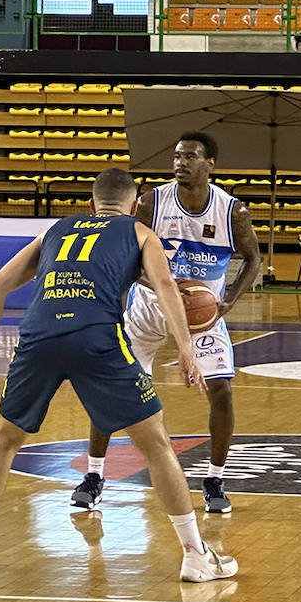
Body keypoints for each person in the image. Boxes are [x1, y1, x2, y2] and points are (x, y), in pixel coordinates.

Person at [0, 167, 238, 583]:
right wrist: (186, 348)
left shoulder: (57, 231)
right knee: (155, 444)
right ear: (135, 206)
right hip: (97, 336)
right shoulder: (140, 232)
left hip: (39, 334)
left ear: (90, 204)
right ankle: (194, 554)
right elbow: (167, 287)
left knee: (5, 441)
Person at [76, 131, 262, 516]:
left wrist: (228, 301)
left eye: (191, 156)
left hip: (200, 315)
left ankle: (214, 479)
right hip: (147, 308)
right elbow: (127, 254)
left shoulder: (232, 212)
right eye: (177, 156)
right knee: (111, 388)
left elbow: (253, 259)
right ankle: (94, 475)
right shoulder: (151, 203)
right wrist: (157, 283)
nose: (181, 163)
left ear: (210, 164)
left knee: (222, 390)